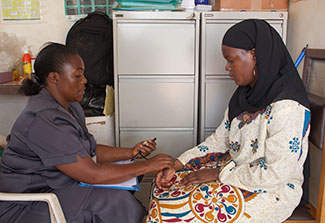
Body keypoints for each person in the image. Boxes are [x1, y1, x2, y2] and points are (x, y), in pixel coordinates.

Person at [150, 19, 311, 223]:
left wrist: (219, 173)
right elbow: (220, 140)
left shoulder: (288, 107)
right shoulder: (245, 96)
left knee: (171, 211)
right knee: (165, 189)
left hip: (271, 192)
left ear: (254, 55)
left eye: (231, 60)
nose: (227, 67)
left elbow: (276, 173)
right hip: (235, 171)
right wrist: (178, 163)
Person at [0, 42, 174, 223]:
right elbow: (91, 174)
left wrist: (131, 152)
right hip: (28, 202)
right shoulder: (45, 118)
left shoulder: (70, 107)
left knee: (130, 179)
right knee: (116, 202)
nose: (84, 80)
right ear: (54, 78)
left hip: (57, 186)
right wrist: (149, 165)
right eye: (77, 75)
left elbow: (87, 149)